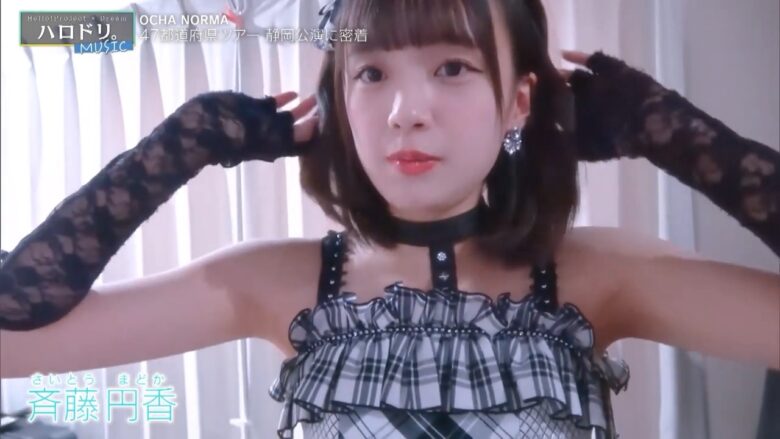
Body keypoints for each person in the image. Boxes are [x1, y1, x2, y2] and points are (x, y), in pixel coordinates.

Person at [1, 0, 778, 438]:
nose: (406, 111)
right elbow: (11, 337)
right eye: (371, 73)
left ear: (518, 102)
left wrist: (671, 133)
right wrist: (184, 144)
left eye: (452, 67)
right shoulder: (276, 281)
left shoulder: (598, 275)